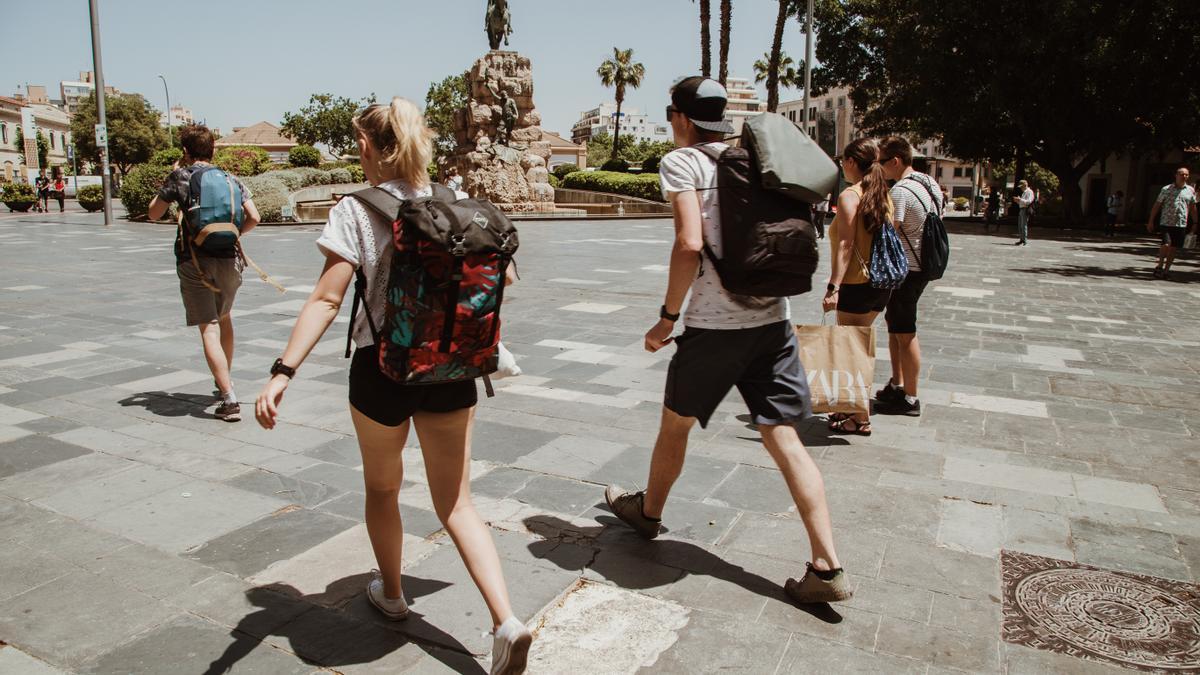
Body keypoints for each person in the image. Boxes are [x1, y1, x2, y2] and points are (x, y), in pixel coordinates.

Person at [254, 98, 532, 674]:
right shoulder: (456, 201)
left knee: (383, 489)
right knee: (457, 502)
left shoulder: (355, 210)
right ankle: (506, 621)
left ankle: (394, 594)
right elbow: (504, 275)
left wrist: (283, 372)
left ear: (369, 146)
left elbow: (327, 299)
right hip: (452, 370)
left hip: (381, 371)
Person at [604, 76, 851, 605]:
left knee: (675, 426)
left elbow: (689, 243)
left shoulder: (683, 163)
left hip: (714, 327)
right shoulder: (761, 159)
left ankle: (647, 513)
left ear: (681, 118)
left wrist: (667, 319)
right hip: (774, 323)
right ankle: (827, 566)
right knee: (784, 437)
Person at [147, 125, 259, 422]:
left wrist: (171, 179)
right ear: (214, 149)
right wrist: (234, 234)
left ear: (185, 151)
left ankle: (229, 398)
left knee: (209, 327)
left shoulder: (181, 177)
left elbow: (153, 213)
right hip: (230, 260)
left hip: (194, 261)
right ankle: (224, 381)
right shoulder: (230, 178)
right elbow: (254, 216)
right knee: (225, 318)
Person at [822, 138, 894, 435]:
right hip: (880, 284)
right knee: (858, 348)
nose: (842, 167)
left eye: (843, 161)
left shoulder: (850, 196)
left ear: (852, 162)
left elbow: (846, 244)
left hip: (856, 282)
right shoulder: (882, 194)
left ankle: (860, 417)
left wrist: (834, 286)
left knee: (852, 352)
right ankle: (849, 408)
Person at [877, 136, 940, 417]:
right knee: (895, 326)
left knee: (905, 332)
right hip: (922, 265)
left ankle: (910, 397)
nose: (879, 168)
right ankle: (897, 383)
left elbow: (889, 230)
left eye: (881, 162)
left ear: (895, 161)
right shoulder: (929, 183)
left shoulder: (901, 191)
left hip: (906, 270)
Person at [1146, 167, 1198, 280]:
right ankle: (1159, 266)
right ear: (1176, 175)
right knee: (1166, 244)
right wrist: (1151, 221)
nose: (1184, 176)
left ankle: (1166, 270)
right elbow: (1157, 205)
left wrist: (1195, 222)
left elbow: (1193, 207)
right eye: (1181, 174)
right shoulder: (1166, 189)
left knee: (1173, 248)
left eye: (1186, 174)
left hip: (1181, 223)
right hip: (1166, 222)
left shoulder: (1190, 190)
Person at [1012, 179, 1034, 245]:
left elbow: (1029, 201)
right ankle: (1021, 239)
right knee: (1020, 226)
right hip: (1021, 209)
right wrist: (1018, 201)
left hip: (1025, 209)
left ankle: (1024, 240)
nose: (1021, 188)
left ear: (1025, 185)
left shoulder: (1029, 192)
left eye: (1021, 186)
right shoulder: (1024, 192)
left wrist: (1020, 199)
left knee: (1023, 225)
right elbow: (1023, 202)